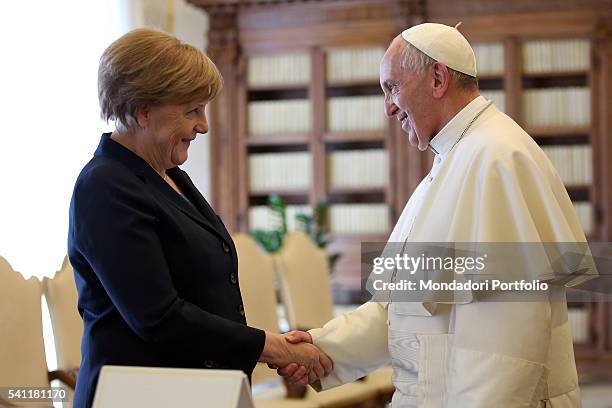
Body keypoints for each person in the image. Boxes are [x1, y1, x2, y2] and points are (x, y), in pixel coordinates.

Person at [277, 23, 594, 407]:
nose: (388, 106)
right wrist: (322, 346)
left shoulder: (496, 159)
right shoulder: (454, 159)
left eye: (392, 86)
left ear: (438, 78)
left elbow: (510, 340)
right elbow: (403, 309)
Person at [67, 28, 331, 408]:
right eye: (192, 110)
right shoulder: (105, 186)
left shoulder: (172, 177)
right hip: (138, 398)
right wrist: (272, 347)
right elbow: (159, 318)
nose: (203, 125)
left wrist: (273, 345)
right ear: (144, 109)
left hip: (194, 394)